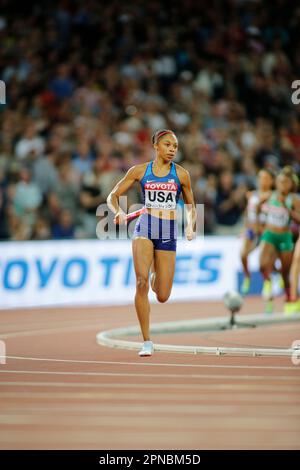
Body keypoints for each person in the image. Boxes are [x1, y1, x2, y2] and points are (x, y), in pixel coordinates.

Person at [107, 129, 196, 356]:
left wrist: (189, 225)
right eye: (168, 145)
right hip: (144, 227)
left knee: (163, 295)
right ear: (156, 146)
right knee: (140, 282)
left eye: (175, 146)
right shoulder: (139, 171)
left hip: (167, 231)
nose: (172, 149)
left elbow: (191, 206)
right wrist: (117, 211)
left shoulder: (182, 174)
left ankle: (157, 270)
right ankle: (147, 341)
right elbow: (112, 196)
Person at [259, 167, 300, 310]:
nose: (283, 185)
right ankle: (268, 281)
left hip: (285, 236)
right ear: (277, 183)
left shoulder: (293, 199)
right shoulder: (270, 196)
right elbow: (257, 207)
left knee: (286, 272)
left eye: (286, 182)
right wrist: (261, 220)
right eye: (281, 182)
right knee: (262, 264)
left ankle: (289, 298)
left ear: (291, 184)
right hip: (269, 234)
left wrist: (287, 209)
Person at [240, 169, 275, 295]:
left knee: (264, 264)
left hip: (267, 231)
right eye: (260, 178)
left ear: (271, 181)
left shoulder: (274, 196)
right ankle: (247, 277)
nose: (262, 181)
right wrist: (245, 227)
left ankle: (267, 282)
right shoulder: (252, 195)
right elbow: (247, 213)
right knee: (243, 254)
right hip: (252, 230)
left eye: (266, 178)